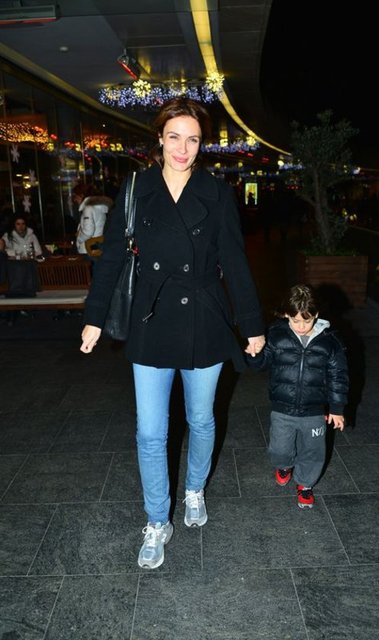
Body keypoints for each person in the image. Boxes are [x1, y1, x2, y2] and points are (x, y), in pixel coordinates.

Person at [80, 97, 265, 569]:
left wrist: (252, 324)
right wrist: (94, 316)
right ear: (159, 139)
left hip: (205, 316)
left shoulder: (216, 193)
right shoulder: (135, 188)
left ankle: (194, 489)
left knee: (201, 420)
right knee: (149, 432)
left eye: (193, 140)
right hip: (151, 319)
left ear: (202, 145)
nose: (183, 149)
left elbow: (235, 261)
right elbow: (113, 258)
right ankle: (157, 519)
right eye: (175, 137)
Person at [245, 284, 348, 509]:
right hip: (282, 407)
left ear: (316, 314)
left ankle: (305, 484)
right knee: (279, 449)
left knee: (313, 451)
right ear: (286, 315)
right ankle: (284, 466)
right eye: (295, 320)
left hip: (315, 410)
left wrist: (337, 408)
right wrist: (255, 355)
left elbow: (338, 376)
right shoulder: (276, 335)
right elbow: (261, 364)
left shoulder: (330, 342)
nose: (301, 326)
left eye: (306, 321)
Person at [74, 187, 112, 259]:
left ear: (82, 196)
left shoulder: (88, 209)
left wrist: (79, 239)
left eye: (76, 197)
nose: (75, 200)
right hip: (96, 247)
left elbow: (88, 232)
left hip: (87, 249)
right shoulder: (98, 208)